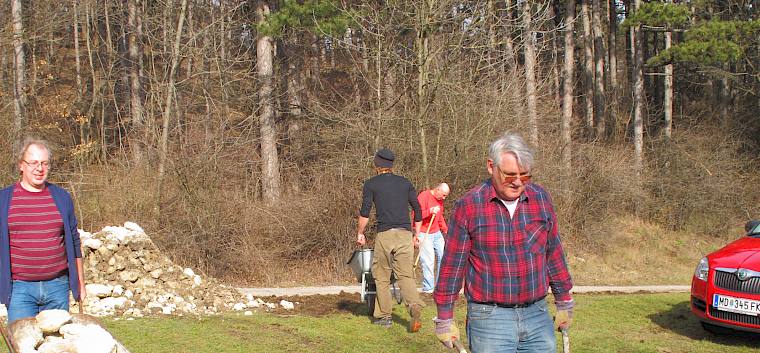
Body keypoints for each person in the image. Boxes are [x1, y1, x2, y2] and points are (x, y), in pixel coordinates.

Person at [433, 132, 574, 353]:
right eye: (509, 175)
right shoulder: (469, 206)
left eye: (524, 175)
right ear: (491, 166)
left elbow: (553, 252)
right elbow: (452, 266)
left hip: (537, 314)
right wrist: (444, 316)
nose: (517, 182)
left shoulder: (540, 199)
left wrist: (563, 299)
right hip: (489, 320)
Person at [0, 139, 87, 325]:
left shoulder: (62, 197)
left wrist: (80, 281)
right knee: (24, 346)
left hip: (57, 287)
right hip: (19, 290)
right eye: (33, 163)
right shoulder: (3, 200)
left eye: (44, 163)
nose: (39, 168)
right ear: (21, 165)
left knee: (56, 345)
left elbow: (74, 241)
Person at [356, 147, 426, 332]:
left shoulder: (371, 184)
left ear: (377, 164)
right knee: (405, 275)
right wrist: (416, 235)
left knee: (381, 276)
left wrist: (360, 233)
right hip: (405, 234)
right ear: (391, 165)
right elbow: (418, 210)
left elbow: (365, 212)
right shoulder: (405, 183)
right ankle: (415, 307)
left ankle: (384, 316)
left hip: (385, 234)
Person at [416, 183, 450, 293]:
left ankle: (440, 285)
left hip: (436, 232)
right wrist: (429, 211)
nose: (444, 198)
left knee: (443, 257)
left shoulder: (440, 200)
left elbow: (439, 217)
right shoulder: (423, 196)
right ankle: (428, 288)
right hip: (424, 232)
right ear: (437, 190)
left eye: (446, 196)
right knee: (428, 261)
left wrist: (445, 230)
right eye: (444, 195)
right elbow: (416, 215)